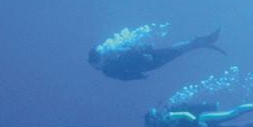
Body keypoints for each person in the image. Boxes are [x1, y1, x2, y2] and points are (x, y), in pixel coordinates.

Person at [89, 27, 225, 81]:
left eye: (95, 65)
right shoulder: (111, 57)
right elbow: (128, 57)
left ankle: (202, 42)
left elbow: (124, 75)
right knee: (174, 50)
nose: (96, 68)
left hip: (148, 62)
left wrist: (139, 75)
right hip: (146, 59)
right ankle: (201, 42)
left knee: (174, 51)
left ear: (98, 60)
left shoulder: (108, 68)